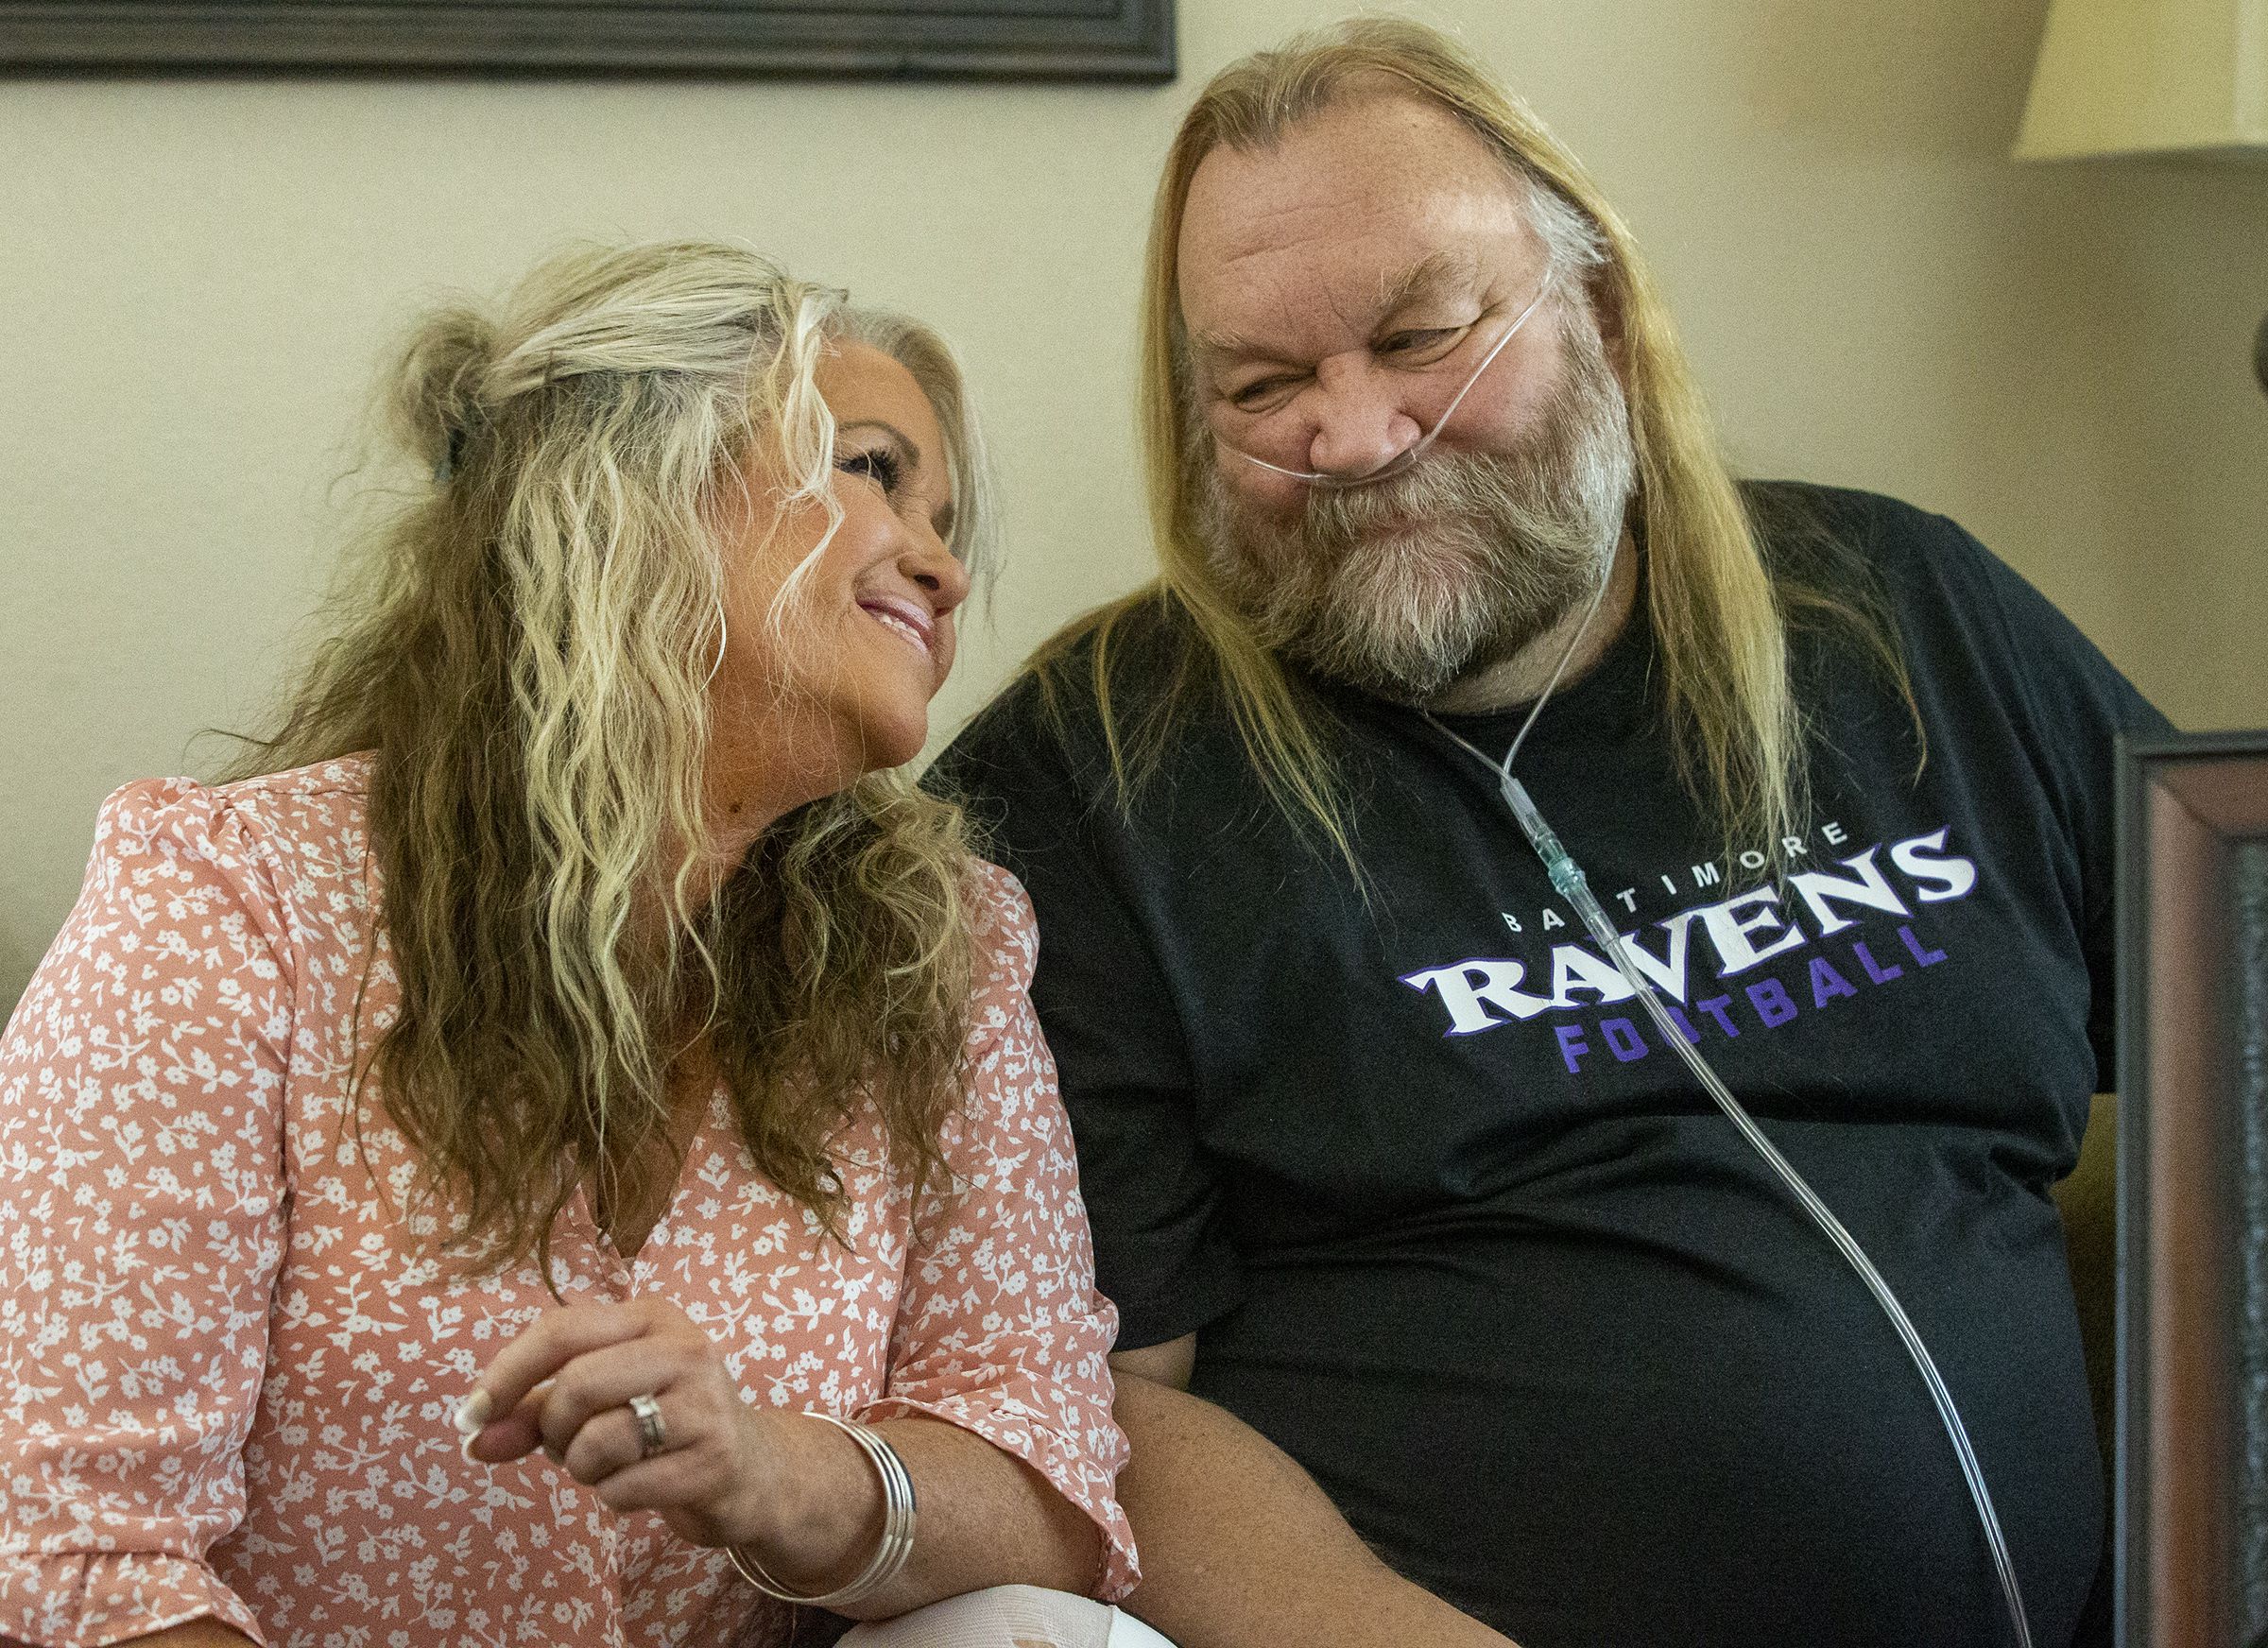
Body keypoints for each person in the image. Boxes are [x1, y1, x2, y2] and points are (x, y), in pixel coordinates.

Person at [934, 19, 2168, 1648]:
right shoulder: (1093, 786)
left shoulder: (1910, 620)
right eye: (1265, 385)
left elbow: (2237, 1056)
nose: (1358, 440)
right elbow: (1098, 1410)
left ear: (1593, 308)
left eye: (1423, 335)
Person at [0, 241, 1144, 1648]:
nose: (945, 565)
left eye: (949, 514)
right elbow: (77, 1560)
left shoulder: (949, 952)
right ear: (628, 493)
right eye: (869, 470)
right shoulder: (232, 905)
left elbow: (1053, 1483)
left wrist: (776, 1470)